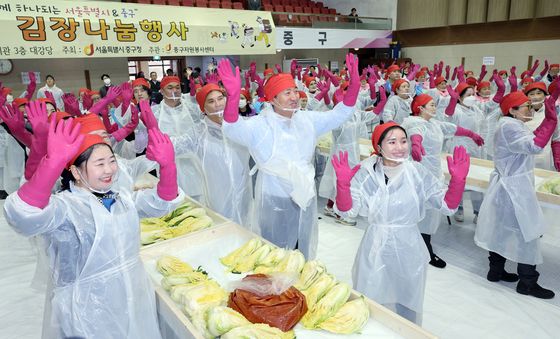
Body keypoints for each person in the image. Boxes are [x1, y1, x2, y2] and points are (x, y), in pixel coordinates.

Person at [3, 117, 183, 338]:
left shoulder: (122, 199)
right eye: (99, 164)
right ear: (76, 172)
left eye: (111, 160)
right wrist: (51, 163)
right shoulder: (65, 207)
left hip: (134, 297)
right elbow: (22, 215)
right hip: (88, 310)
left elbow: (162, 203)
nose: (109, 170)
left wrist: (168, 166)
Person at [219, 54, 361, 259]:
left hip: (305, 195)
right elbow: (232, 128)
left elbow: (338, 115)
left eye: (295, 90)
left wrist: (354, 86)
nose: (295, 96)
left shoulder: (306, 120)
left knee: (301, 249)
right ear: (272, 98)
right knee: (274, 252)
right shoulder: (260, 125)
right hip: (274, 199)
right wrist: (232, 98)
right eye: (287, 92)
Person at [332, 122, 469, 324]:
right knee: (370, 296)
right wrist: (343, 185)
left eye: (404, 141)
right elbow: (347, 212)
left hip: (409, 245)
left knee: (408, 296)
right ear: (379, 147)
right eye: (392, 142)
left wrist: (457, 182)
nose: (400, 147)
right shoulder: (365, 173)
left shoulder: (416, 172)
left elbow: (446, 206)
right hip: (376, 245)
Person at [474, 91, 558, 299]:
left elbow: (531, 137)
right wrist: (550, 120)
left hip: (508, 186)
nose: (529, 109)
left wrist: (547, 122)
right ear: (512, 110)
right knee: (527, 234)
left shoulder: (511, 124)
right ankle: (527, 282)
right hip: (514, 189)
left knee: (500, 229)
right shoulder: (510, 126)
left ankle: (496, 271)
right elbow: (534, 146)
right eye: (525, 106)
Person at [402, 94, 483, 268]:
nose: (434, 107)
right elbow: (416, 134)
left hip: (433, 173)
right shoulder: (414, 123)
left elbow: (453, 128)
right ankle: (422, 250)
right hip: (419, 173)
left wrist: (472, 135)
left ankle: (423, 247)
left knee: (430, 214)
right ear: (420, 107)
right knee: (420, 213)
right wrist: (416, 144)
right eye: (431, 105)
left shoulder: (434, 123)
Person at [151, 75, 207, 203]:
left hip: (193, 163)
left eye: (177, 87)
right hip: (167, 165)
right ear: (162, 91)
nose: (174, 91)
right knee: (172, 201)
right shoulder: (155, 112)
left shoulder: (192, 109)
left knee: (197, 200)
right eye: (169, 87)